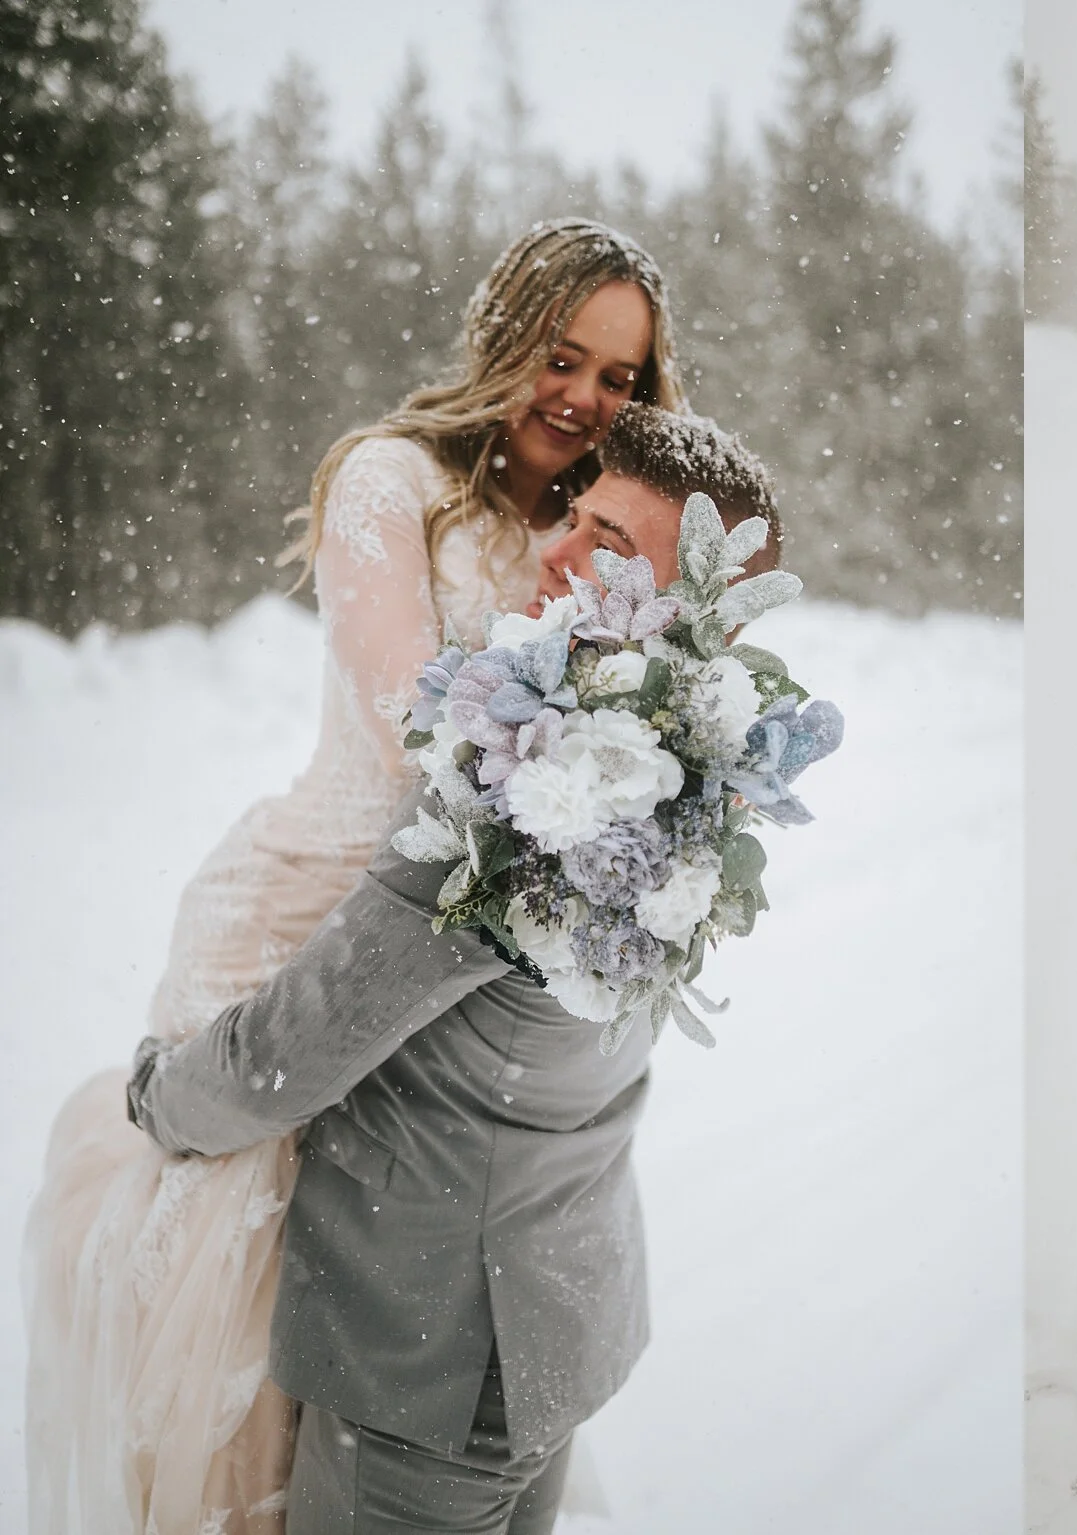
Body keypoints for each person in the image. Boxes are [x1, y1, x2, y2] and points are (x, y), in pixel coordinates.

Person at [23, 218, 686, 1534]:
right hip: (303, 914)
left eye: (620, 376)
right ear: (508, 335)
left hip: (439, 926)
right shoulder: (393, 481)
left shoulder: (591, 526)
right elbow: (424, 733)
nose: (585, 396)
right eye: (565, 354)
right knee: (257, 1303)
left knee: (401, 1267)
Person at [119, 402, 778, 1532]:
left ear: (687, 603)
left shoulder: (520, 799)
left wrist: (156, 1090)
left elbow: (286, 1051)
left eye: (610, 544)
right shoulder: (694, 788)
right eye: (577, 514)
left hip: (429, 1364)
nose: (557, 548)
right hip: (557, 1324)